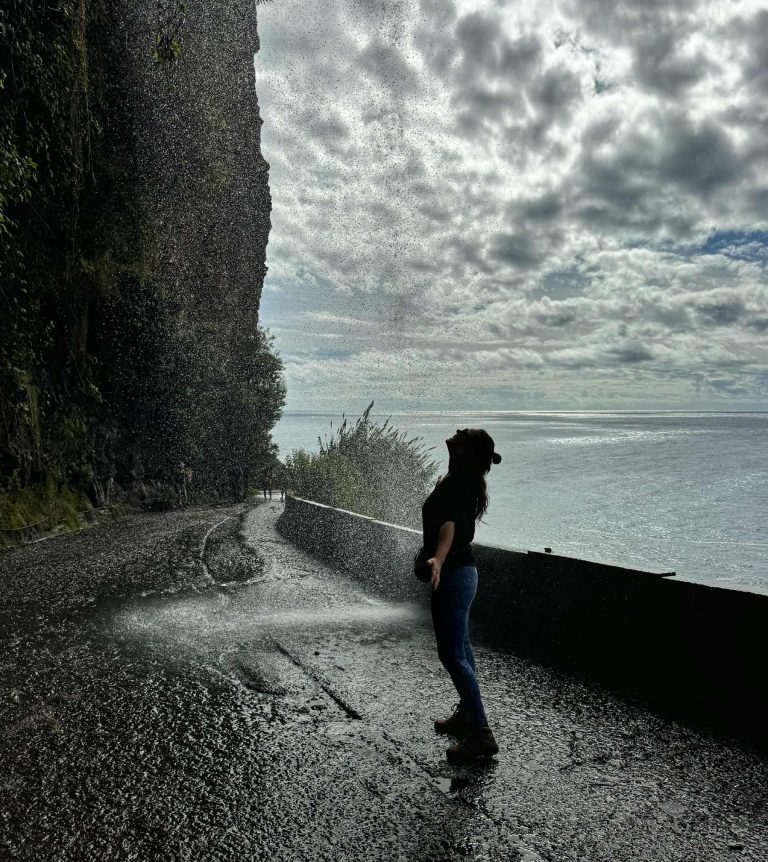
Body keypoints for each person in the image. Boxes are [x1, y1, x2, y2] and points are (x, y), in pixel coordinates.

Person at [423, 428, 502, 763]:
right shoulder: (458, 481)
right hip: (461, 575)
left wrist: (438, 559)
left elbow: (449, 527)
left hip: (454, 575)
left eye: (462, 434)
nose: (454, 433)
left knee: (452, 654)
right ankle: (468, 716)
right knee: (461, 649)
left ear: (466, 451)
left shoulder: (458, 484)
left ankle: (482, 733)